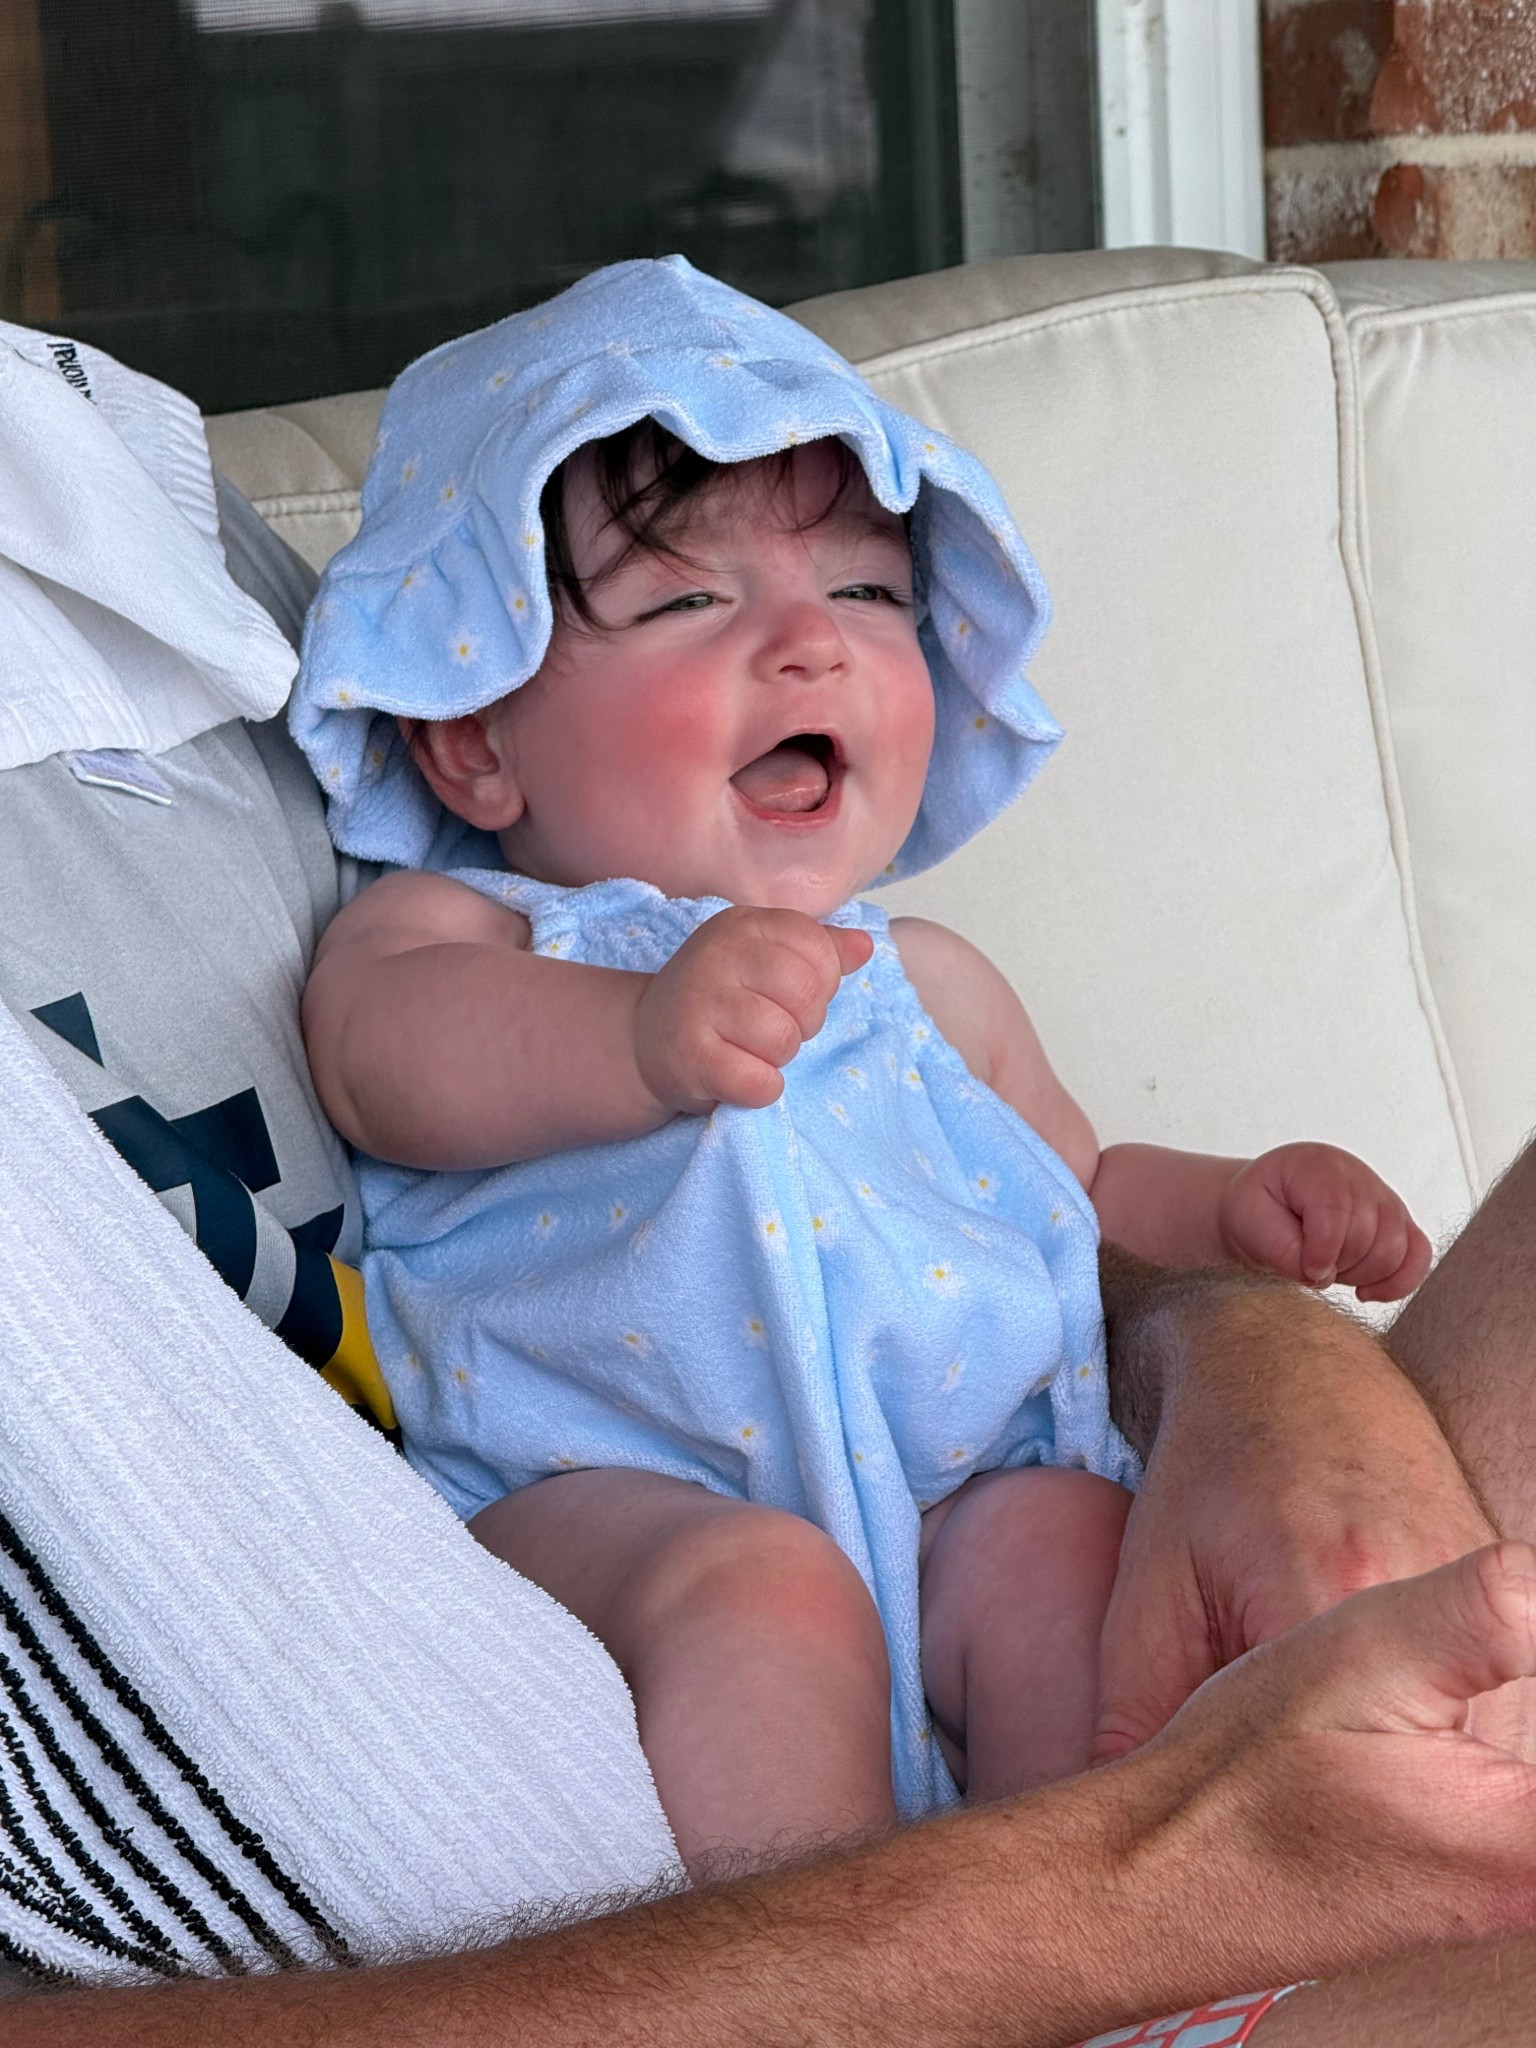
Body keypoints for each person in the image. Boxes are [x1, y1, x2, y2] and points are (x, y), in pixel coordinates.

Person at [292, 256, 1434, 1868]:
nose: (808, 648)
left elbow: (1081, 1182)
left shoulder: (928, 985)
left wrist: (1241, 1207)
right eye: (692, 600)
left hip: (946, 1501)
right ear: (473, 732)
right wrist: (631, 1032)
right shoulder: (463, 933)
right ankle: (824, 1977)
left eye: (866, 593)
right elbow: (381, 1067)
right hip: (598, 1502)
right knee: (762, 1594)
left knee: (1066, 1544)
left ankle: (1103, 1955)